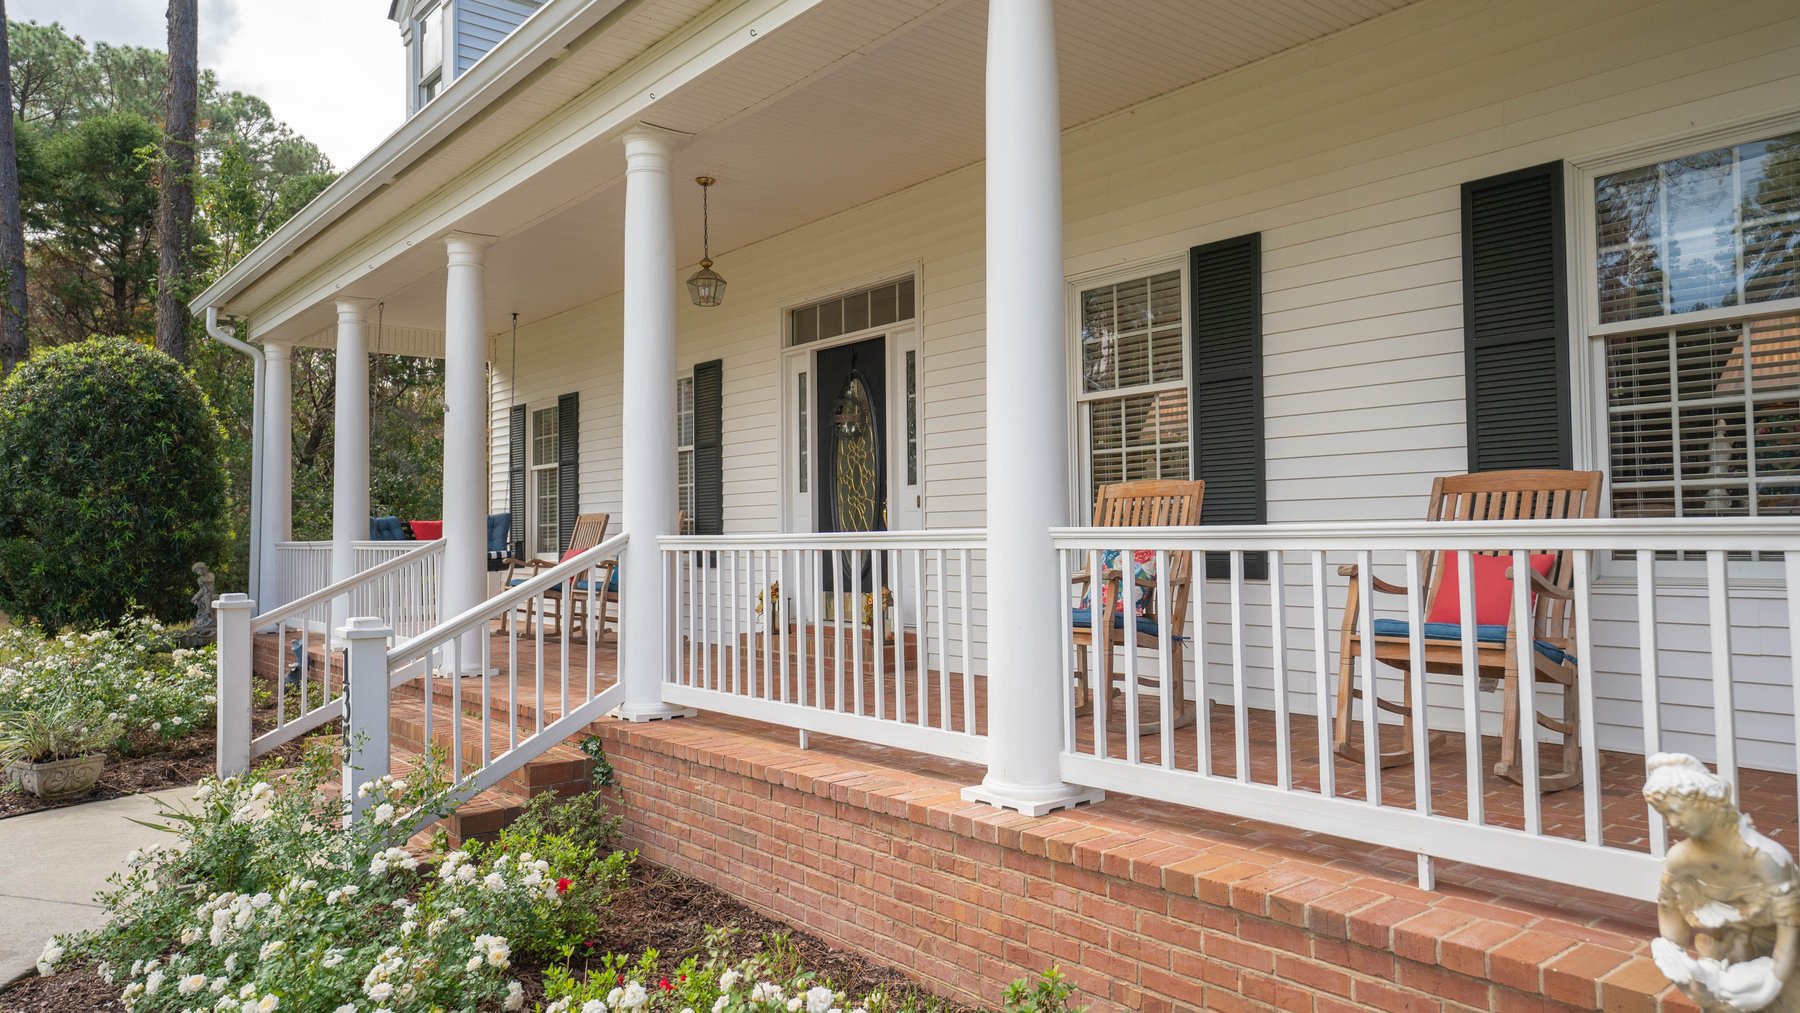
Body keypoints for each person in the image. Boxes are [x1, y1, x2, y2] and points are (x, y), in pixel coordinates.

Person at [1645, 752, 1800, 1011]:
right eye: (1664, 815)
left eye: (1676, 812)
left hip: (1786, 955)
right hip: (1733, 950)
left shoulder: (1764, 857)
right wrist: (1675, 956)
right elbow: (1668, 907)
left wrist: (1770, 986)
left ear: (1706, 802)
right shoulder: (1681, 858)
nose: (1672, 823)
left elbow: (1790, 927)